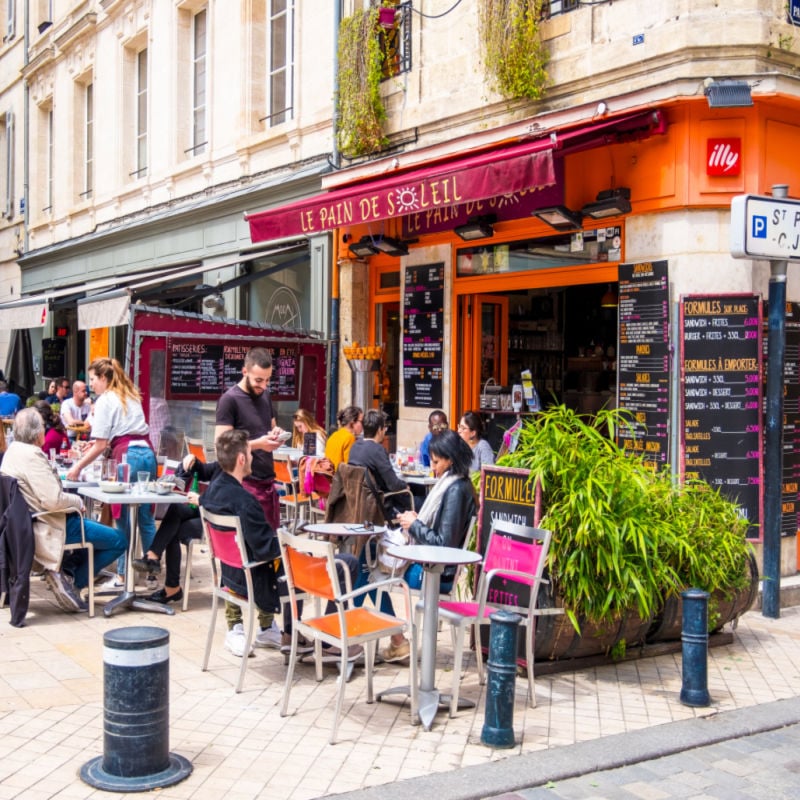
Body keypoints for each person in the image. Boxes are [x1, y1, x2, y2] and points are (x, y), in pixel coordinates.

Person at [201, 429, 359, 661]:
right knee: (346, 564)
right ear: (242, 459)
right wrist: (290, 540)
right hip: (261, 583)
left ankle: (290, 635)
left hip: (232, 577)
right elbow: (269, 550)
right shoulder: (245, 501)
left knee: (296, 555)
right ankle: (328, 642)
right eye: (250, 454)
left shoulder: (211, 493)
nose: (254, 458)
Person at [1, 408, 127, 612]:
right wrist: (77, 501)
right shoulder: (32, 456)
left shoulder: (12, 452)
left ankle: (66, 570)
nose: (45, 430)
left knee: (95, 531)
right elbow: (53, 500)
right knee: (119, 540)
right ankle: (72, 581)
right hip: (50, 524)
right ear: (36, 432)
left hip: (25, 525)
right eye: (42, 426)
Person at [382, 429, 478, 662]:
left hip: (433, 573)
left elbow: (443, 544)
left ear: (450, 459)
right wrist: (418, 522)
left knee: (370, 571)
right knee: (371, 566)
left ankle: (390, 640)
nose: (433, 468)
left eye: (436, 462)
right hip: (430, 566)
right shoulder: (453, 484)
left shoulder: (455, 490)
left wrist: (415, 525)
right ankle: (392, 640)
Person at [65, 357, 158, 590]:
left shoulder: (106, 399)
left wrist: (76, 468)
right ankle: (152, 575)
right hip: (147, 455)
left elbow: (100, 444)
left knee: (123, 518)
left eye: (93, 379)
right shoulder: (130, 395)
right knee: (146, 518)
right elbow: (112, 438)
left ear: (104, 378)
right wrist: (99, 446)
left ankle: (124, 577)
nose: (91, 385)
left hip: (128, 457)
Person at [133, 453, 220, 607]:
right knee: (175, 511)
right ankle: (155, 561)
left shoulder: (239, 467)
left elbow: (227, 501)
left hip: (215, 518)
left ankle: (165, 577)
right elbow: (204, 470)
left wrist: (201, 500)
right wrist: (192, 461)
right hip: (206, 508)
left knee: (173, 526)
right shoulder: (225, 462)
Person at [215, 347, 286, 532]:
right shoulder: (229, 400)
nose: (263, 386)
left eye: (268, 380)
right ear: (244, 371)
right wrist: (258, 444)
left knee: (271, 547)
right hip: (244, 485)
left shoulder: (266, 396)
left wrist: (276, 433)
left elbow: (269, 427)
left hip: (268, 482)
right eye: (259, 380)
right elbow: (221, 447)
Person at [348, 408, 412, 519]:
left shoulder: (355, 446)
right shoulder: (377, 450)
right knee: (420, 502)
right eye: (384, 428)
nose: (385, 431)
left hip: (357, 502)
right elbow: (393, 484)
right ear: (379, 430)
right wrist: (406, 486)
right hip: (379, 505)